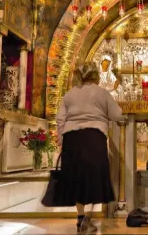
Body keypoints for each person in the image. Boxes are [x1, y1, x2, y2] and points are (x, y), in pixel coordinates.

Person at [56, 61, 124, 233]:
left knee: (77, 179)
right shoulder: (102, 94)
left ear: (78, 75)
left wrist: (61, 140)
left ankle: (80, 216)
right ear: (96, 75)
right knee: (95, 179)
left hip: (72, 138)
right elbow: (117, 115)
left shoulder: (69, 95)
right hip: (94, 137)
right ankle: (89, 216)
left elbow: (60, 119)